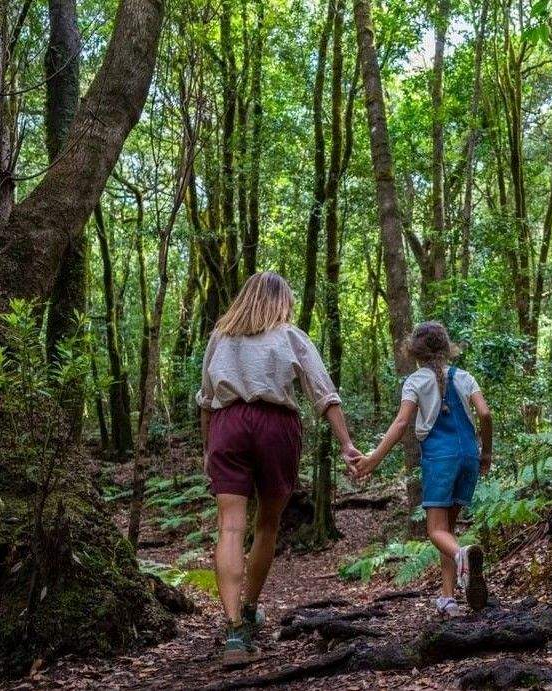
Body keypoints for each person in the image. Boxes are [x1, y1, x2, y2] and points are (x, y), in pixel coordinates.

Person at [197, 271, 362, 667]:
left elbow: (206, 400)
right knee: (267, 523)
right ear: (281, 301)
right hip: (276, 427)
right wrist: (346, 443)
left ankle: (235, 629)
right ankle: (251, 607)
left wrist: (207, 450)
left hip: (227, 426)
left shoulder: (220, 337)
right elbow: (324, 394)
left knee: (230, 526)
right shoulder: (290, 336)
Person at [349, 321, 493, 616]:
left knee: (435, 530)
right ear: (446, 348)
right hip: (468, 455)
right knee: (448, 529)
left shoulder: (416, 381)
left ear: (415, 351)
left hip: (440, 458)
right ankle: (448, 599)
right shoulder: (465, 377)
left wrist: (373, 459)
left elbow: (402, 423)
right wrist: (486, 452)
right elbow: (485, 414)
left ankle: (462, 555)